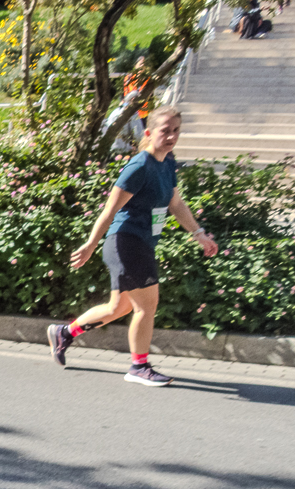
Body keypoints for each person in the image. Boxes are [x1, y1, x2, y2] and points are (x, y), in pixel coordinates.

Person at [48, 107, 219, 385]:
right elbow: (109, 210)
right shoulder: (139, 166)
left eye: (176, 130)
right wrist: (91, 244)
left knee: (120, 308)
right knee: (147, 307)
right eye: (165, 130)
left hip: (139, 242)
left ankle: (64, 333)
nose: (171, 135)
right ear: (149, 133)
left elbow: (175, 203)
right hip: (126, 242)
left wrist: (198, 233)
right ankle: (139, 367)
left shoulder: (167, 163)